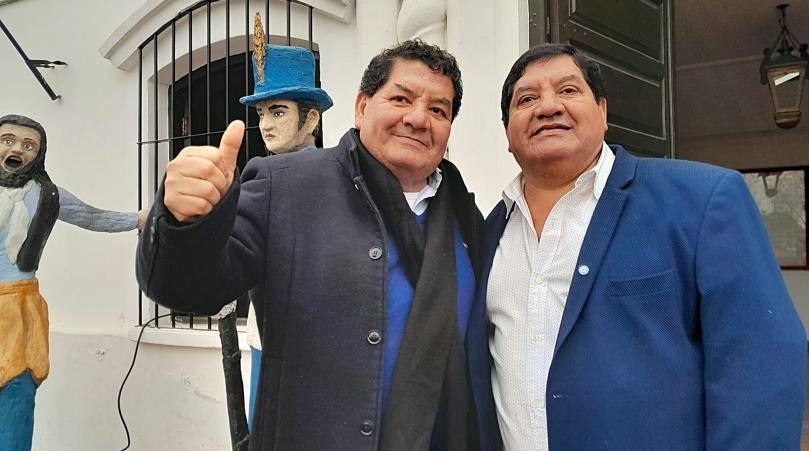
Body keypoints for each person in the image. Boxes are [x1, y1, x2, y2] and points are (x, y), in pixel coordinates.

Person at [137, 39, 484, 451]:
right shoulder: (284, 186)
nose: (418, 118)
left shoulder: (464, 215)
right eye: (400, 98)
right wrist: (184, 222)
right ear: (361, 107)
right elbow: (189, 288)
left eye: (438, 110)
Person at [466, 43, 808, 451]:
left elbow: (761, 368)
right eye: (527, 99)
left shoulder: (702, 200)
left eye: (568, 90)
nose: (548, 107)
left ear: (603, 113)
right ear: (507, 133)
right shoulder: (486, 232)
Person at [0, 114, 144, 451]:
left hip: (18, 309)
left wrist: (139, 219)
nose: (17, 149)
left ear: (39, 154)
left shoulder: (47, 195)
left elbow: (91, 216)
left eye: (28, 145)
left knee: (16, 394)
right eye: (8, 140)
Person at [233, 25, 334, 429]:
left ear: (311, 118)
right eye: (261, 114)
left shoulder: (335, 177)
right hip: (264, 333)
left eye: (278, 112)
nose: (266, 125)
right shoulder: (260, 177)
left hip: (316, 340)